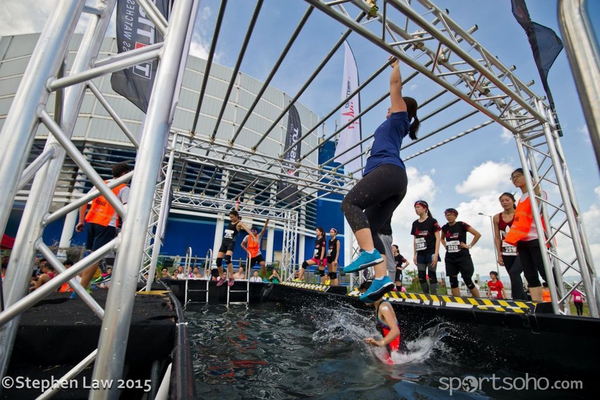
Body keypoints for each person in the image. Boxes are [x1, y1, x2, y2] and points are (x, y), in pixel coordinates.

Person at [341, 57, 420, 302]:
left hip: (389, 171)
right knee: (371, 228)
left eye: (391, 106)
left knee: (349, 204)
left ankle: (368, 254)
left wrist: (396, 66)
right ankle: (381, 277)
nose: (388, 109)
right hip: (395, 180)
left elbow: (395, 86)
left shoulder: (399, 118)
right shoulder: (397, 126)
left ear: (402, 108)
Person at [74, 162, 131, 298]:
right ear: (123, 174)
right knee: (96, 258)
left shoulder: (101, 184)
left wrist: (81, 220)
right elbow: (127, 209)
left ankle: (83, 286)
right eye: (128, 174)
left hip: (92, 222)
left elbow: (84, 201)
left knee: (92, 256)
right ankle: (80, 290)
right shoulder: (124, 188)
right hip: (107, 224)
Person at [504, 168, 550, 302]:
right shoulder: (520, 200)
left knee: (546, 274)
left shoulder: (536, 193)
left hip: (536, 240)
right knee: (530, 276)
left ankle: (558, 305)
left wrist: (535, 185)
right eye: (513, 177)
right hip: (523, 242)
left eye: (518, 176)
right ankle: (537, 305)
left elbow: (538, 200)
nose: (515, 179)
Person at [360, 281, 407, 364]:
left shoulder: (383, 307)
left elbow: (396, 331)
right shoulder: (378, 306)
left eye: (364, 294)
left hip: (399, 356)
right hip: (392, 353)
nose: (362, 297)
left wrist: (379, 343)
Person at [441, 208, 481, 298]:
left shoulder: (462, 225)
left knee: (467, 279)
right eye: (447, 215)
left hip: (463, 256)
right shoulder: (444, 227)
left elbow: (477, 234)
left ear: (455, 216)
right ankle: (457, 302)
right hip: (450, 257)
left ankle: (479, 301)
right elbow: (441, 238)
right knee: (453, 280)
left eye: (451, 215)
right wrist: (445, 245)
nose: (449, 217)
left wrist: (469, 245)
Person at [493, 192, 526, 300]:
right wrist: (499, 254)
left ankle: (515, 300)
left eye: (507, 200)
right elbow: (497, 237)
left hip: (521, 250)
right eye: (502, 201)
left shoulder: (520, 214)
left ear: (513, 201)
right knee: (513, 276)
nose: (505, 203)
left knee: (514, 272)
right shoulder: (497, 218)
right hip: (506, 250)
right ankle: (524, 300)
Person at [215, 203, 255, 287]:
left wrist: (254, 237)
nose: (231, 219)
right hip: (224, 242)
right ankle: (222, 277)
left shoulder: (239, 223)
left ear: (236, 217)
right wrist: (237, 203)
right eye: (230, 217)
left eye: (232, 217)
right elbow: (235, 211)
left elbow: (247, 230)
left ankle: (231, 277)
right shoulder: (232, 219)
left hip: (231, 242)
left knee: (227, 259)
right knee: (218, 261)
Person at [411, 200, 441, 294]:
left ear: (425, 209)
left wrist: (436, 254)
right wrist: (414, 254)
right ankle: (426, 295)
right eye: (415, 207)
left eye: (418, 207)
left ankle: (434, 296)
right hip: (420, 254)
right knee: (421, 276)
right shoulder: (415, 223)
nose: (416, 209)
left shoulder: (432, 221)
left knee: (431, 275)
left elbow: (438, 238)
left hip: (431, 252)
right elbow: (415, 240)